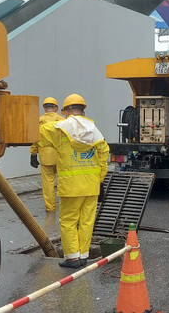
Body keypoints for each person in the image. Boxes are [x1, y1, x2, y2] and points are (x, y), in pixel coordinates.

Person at [39, 94, 110, 268]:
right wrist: (99, 178)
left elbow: (37, 131)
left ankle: (72, 258)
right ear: (84, 110)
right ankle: (83, 255)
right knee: (86, 221)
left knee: (68, 221)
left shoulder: (60, 129)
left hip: (71, 186)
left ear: (66, 111)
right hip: (92, 185)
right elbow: (104, 153)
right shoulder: (94, 130)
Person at [30, 97, 65, 212]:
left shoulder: (39, 121)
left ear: (44, 108)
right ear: (56, 107)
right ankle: (66, 206)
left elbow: (35, 139)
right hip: (60, 156)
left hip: (45, 157)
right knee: (63, 182)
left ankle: (50, 207)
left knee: (48, 184)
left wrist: (33, 154)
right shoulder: (62, 120)